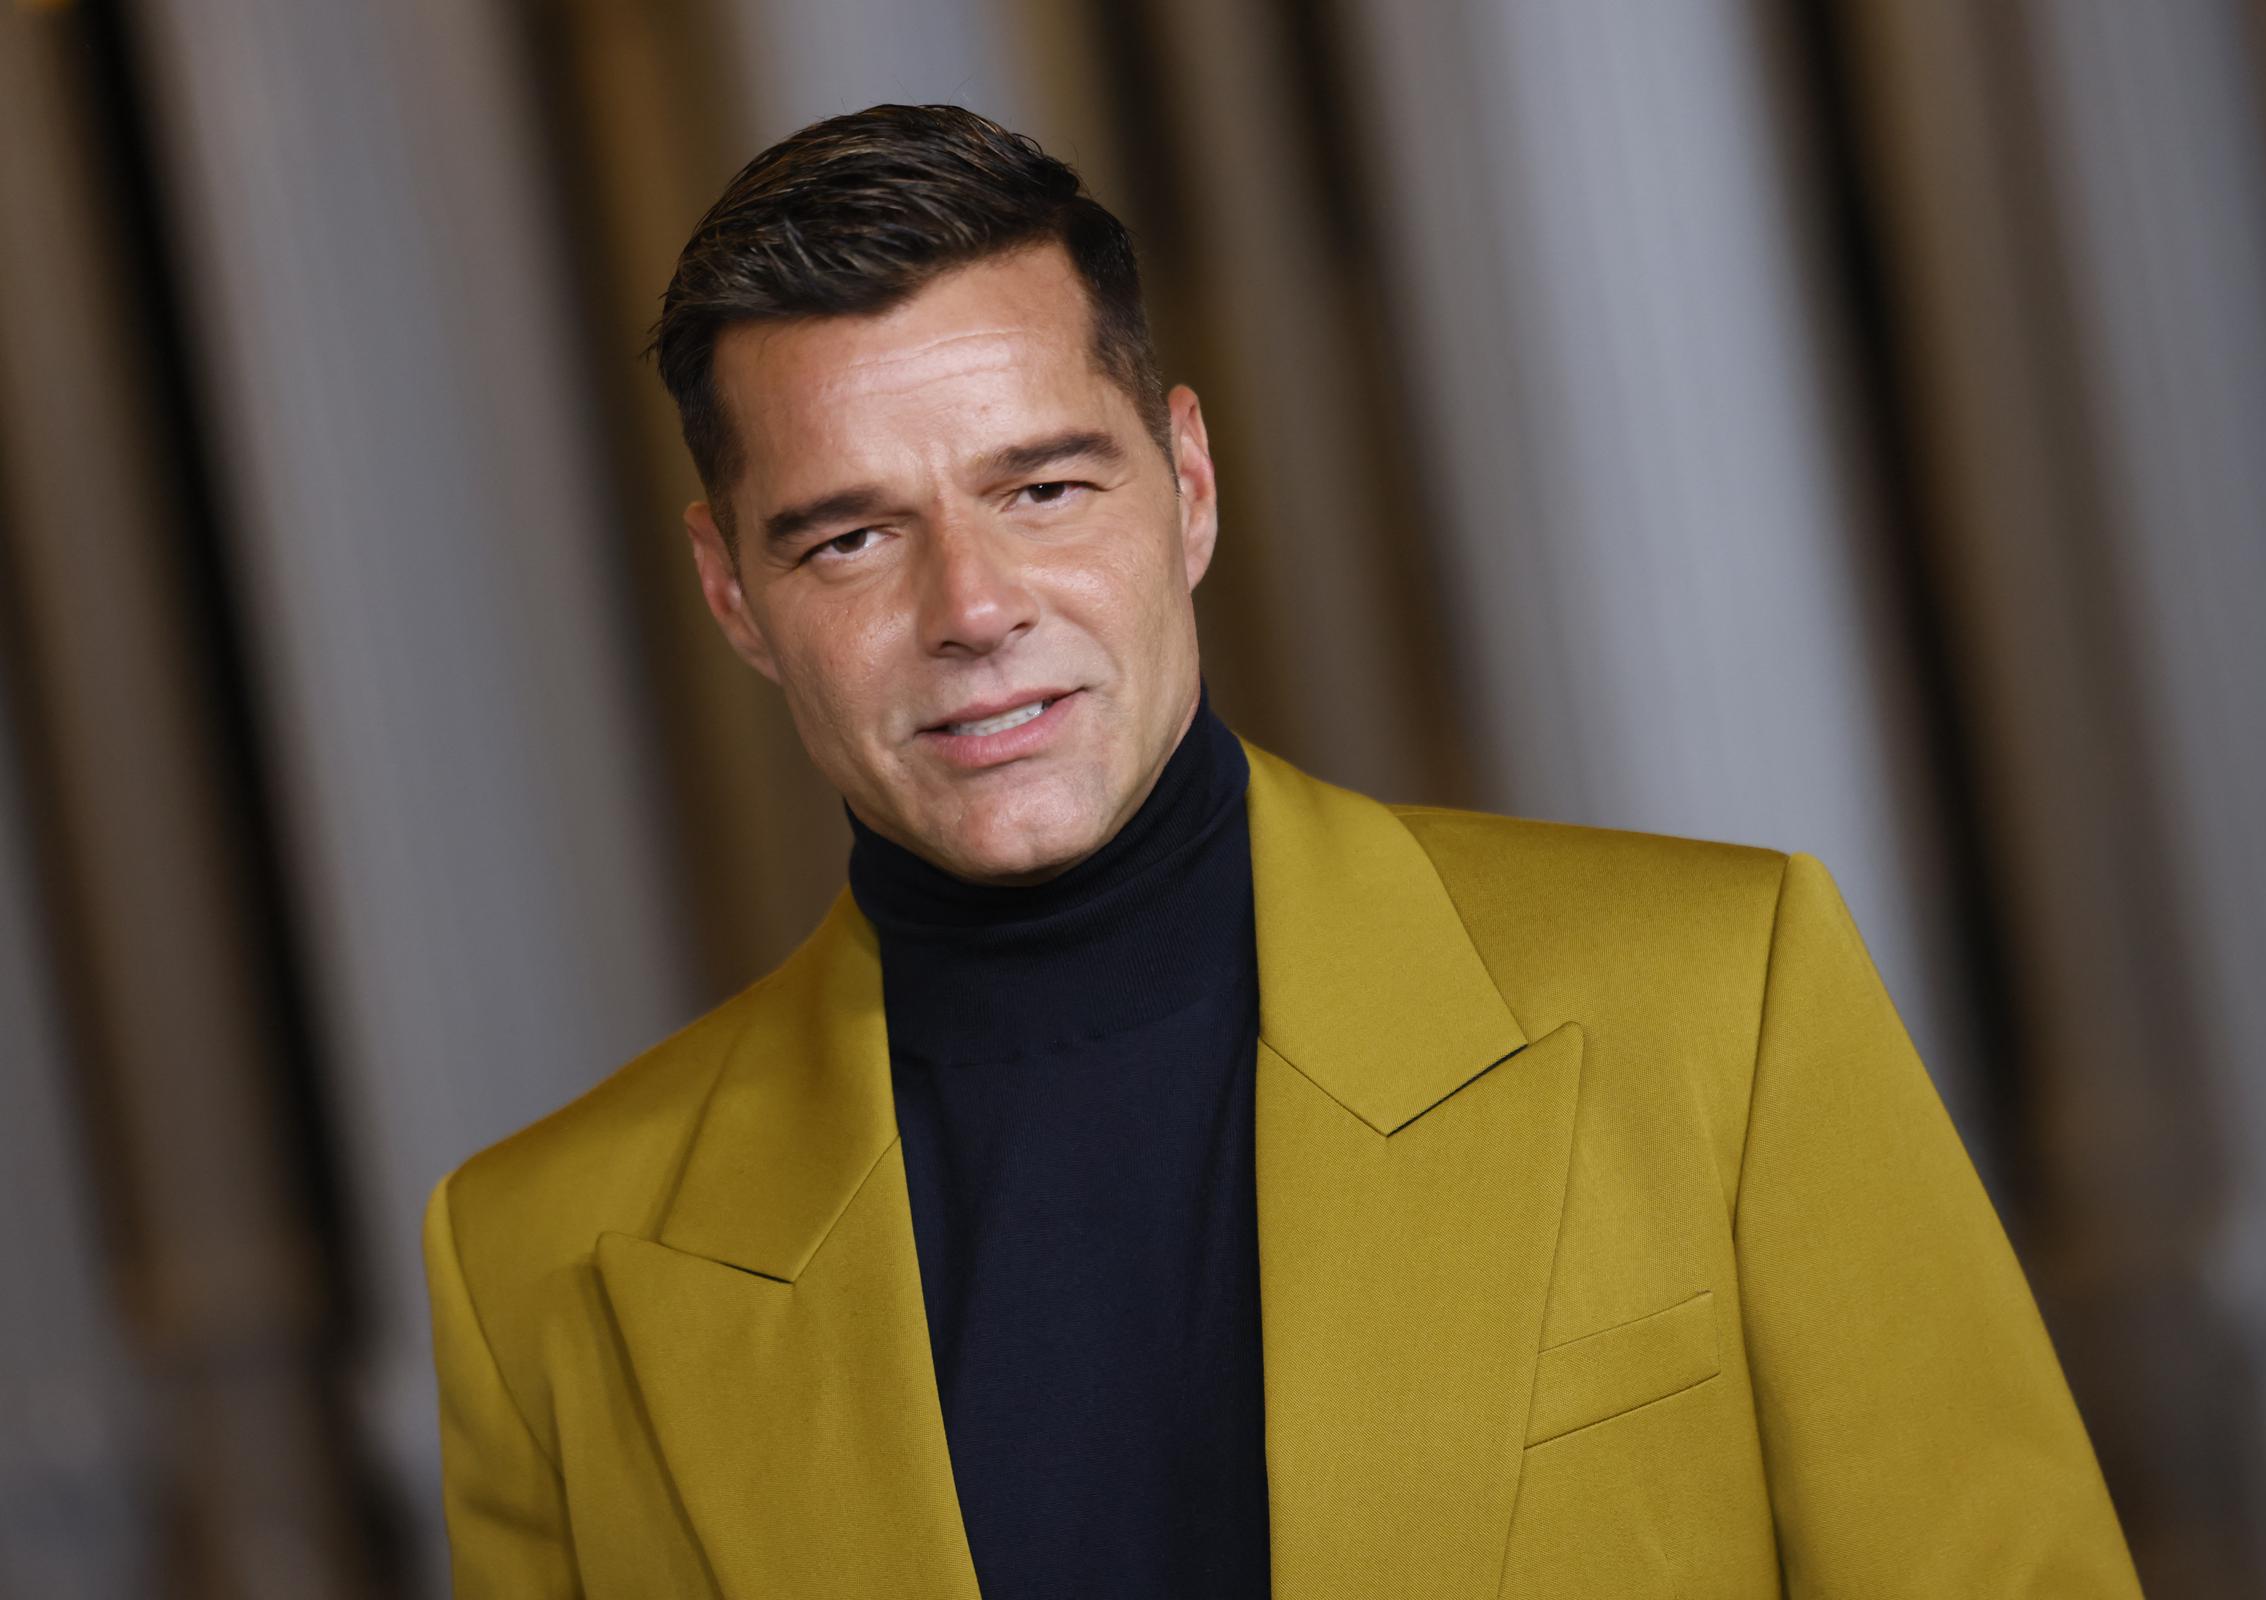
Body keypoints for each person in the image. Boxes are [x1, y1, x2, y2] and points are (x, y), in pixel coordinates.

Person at [423, 103, 2143, 1599]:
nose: (973, 611)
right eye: (854, 536)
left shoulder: (1716, 999)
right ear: (733, 591)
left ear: (1188, 481)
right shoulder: (540, 1263)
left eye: (1044, 490)